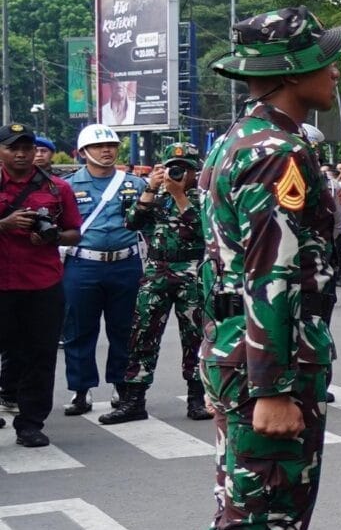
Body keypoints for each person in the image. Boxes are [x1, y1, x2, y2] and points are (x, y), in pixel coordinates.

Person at [189, 7, 341, 530]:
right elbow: (271, 275)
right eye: (321, 59)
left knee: (238, 519)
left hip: (240, 352)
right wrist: (271, 388)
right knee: (254, 528)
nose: (333, 69)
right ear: (288, 74)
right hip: (266, 361)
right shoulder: (273, 155)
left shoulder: (240, 143)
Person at [101, 140, 211, 425]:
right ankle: (134, 401)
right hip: (156, 270)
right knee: (142, 335)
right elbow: (131, 222)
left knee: (195, 336)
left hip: (192, 270)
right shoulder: (153, 194)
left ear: (195, 171)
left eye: (185, 169)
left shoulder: (203, 197)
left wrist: (180, 197)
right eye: (173, 168)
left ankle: (197, 397)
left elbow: (203, 230)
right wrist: (151, 188)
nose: (179, 174)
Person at [0, 125, 80, 448]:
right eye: (12, 148)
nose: (20, 154)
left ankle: (30, 423)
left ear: (35, 151)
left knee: (40, 356)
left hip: (42, 285)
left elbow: (75, 232)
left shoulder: (58, 188)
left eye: (26, 148)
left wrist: (53, 236)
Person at [58, 123, 146, 417]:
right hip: (83, 263)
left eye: (111, 145)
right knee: (79, 329)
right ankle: (80, 390)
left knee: (124, 329)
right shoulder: (68, 186)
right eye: (98, 146)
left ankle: (121, 386)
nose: (106, 150)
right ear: (83, 152)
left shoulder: (135, 183)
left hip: (125, 263)